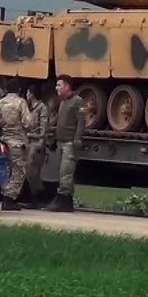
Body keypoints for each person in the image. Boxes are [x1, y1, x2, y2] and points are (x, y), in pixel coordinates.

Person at [0, 76, 33, 211]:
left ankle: (2, 193)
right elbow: (28, 123)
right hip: (17, 143)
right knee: (19, 171)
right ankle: (9, 198)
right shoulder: (21, 103)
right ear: (19, 90)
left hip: (4, 141)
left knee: (6, 170)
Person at [45, 74, 84, 212]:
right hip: (61, 142)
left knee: (65, 172)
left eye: (59, 85)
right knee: (61, 173)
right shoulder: (63, 102)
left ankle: (62, 199)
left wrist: (77, 139)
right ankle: (67, 202)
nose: (56, 88)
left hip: (69, 144)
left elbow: (80, 121)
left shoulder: (77, 101)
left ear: (67, 86)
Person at [23, 84, 49, 208]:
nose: (26, 95)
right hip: (28, 141)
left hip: (36, 142)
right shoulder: (29, 108)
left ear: (32, 94)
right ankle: (34, 198)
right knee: (28, 172)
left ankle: (39, 197)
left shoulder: (41, 108)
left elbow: (43, 127)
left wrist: (41, 141)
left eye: (28, 93)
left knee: (33, 172)